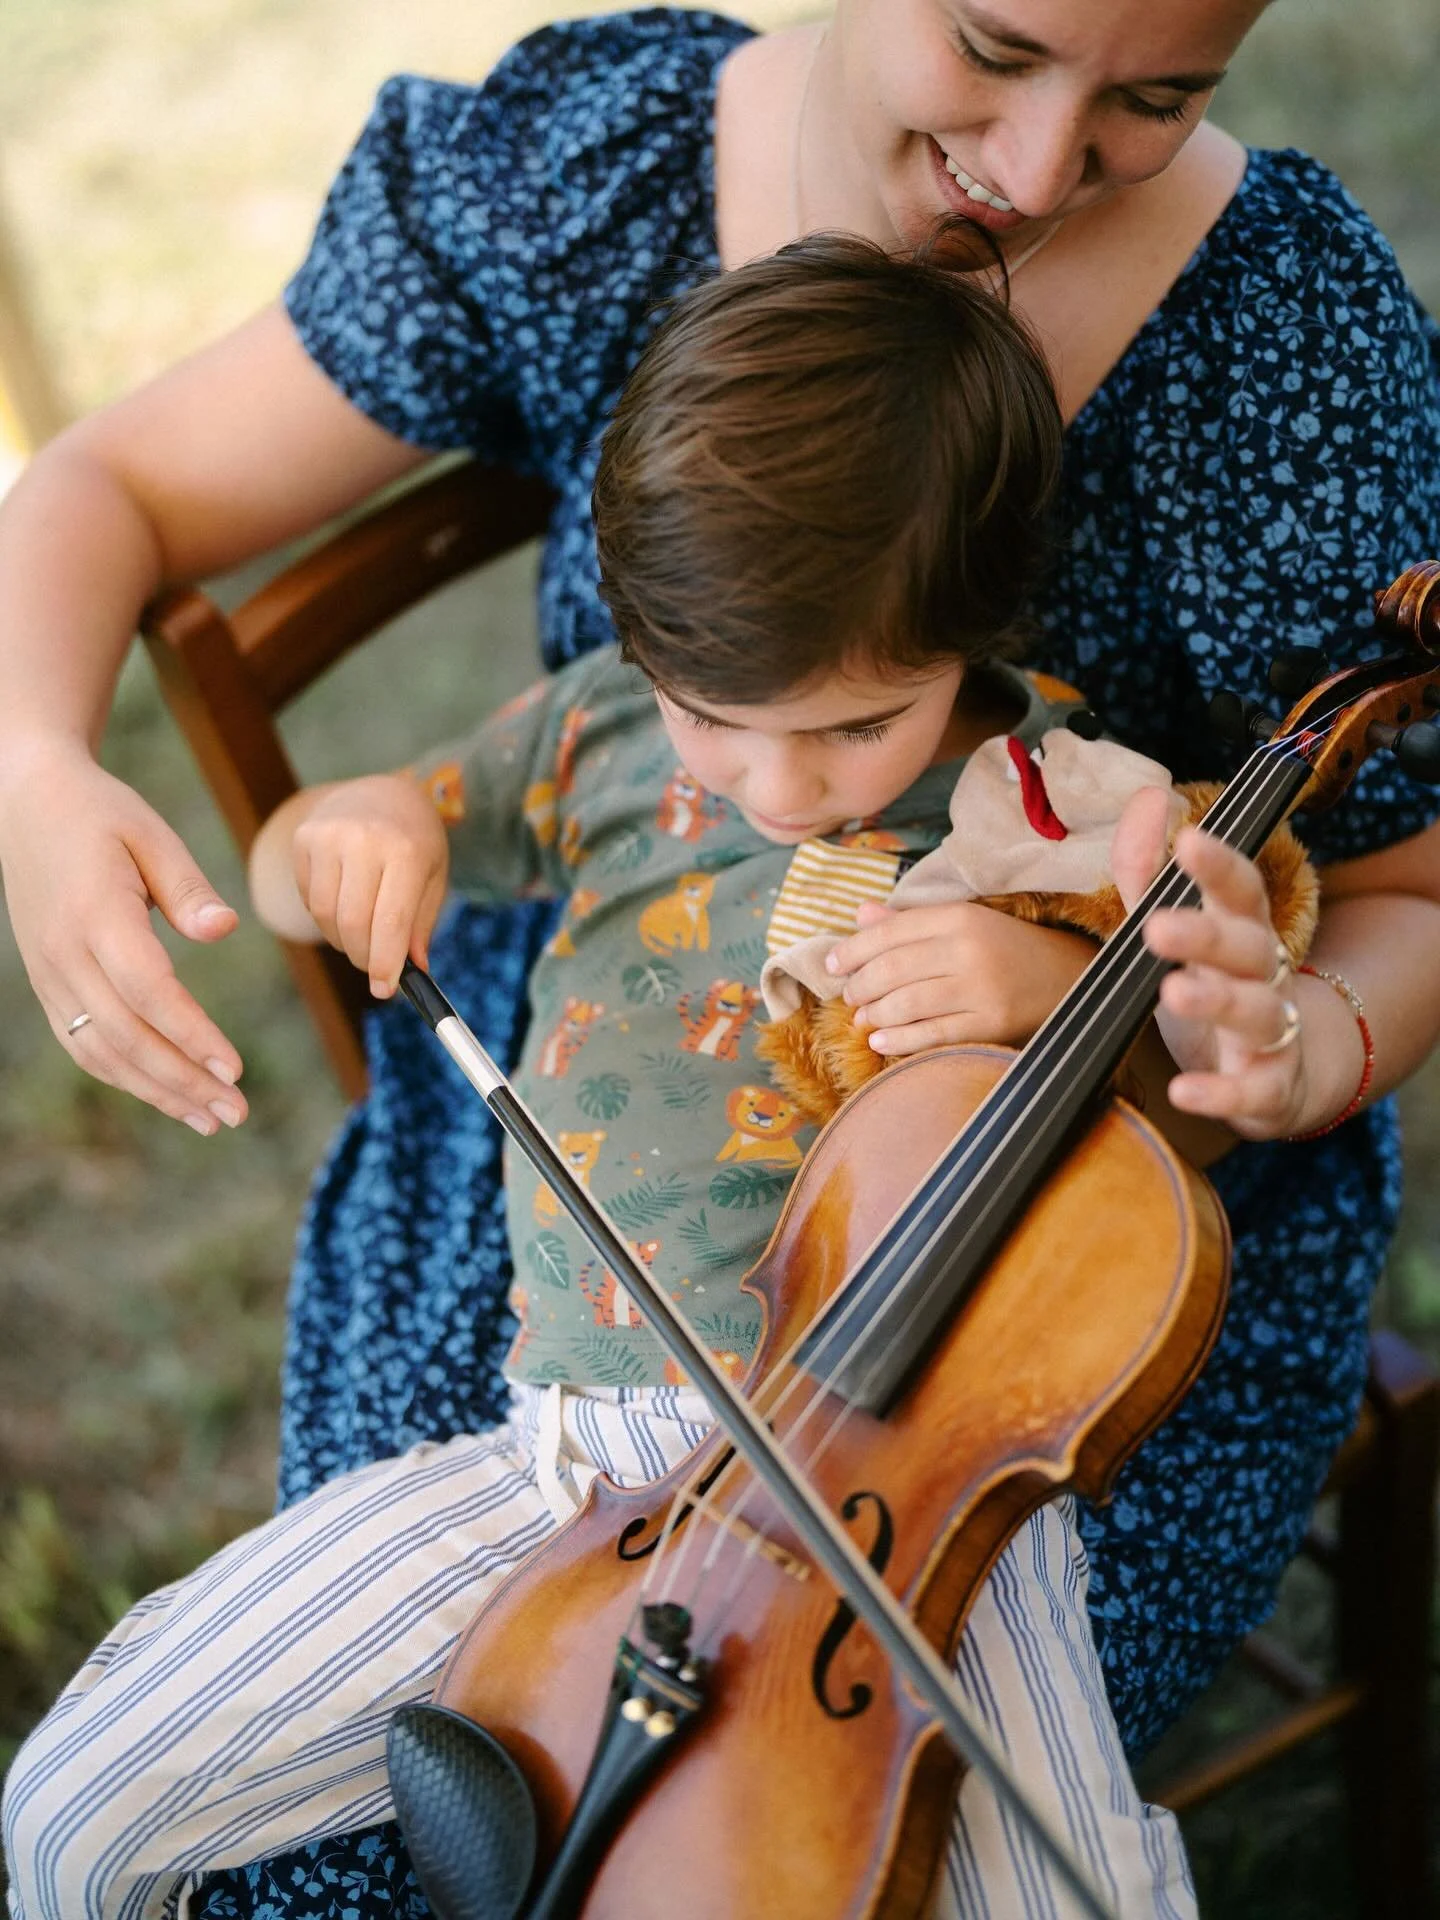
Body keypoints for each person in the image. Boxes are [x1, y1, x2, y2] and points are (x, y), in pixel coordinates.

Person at [0, 0, 1436, 1910]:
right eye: (996, 45)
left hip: (980, 1391)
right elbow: (161, 565)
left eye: (1158, 98)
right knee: (179, 1823)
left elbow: (1311, 908)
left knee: (915, 1862)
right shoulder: (598, 647)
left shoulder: (1057, 758)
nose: (1028, 171)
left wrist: (1264, 1028)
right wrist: (62, 770)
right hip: (566, 1390)